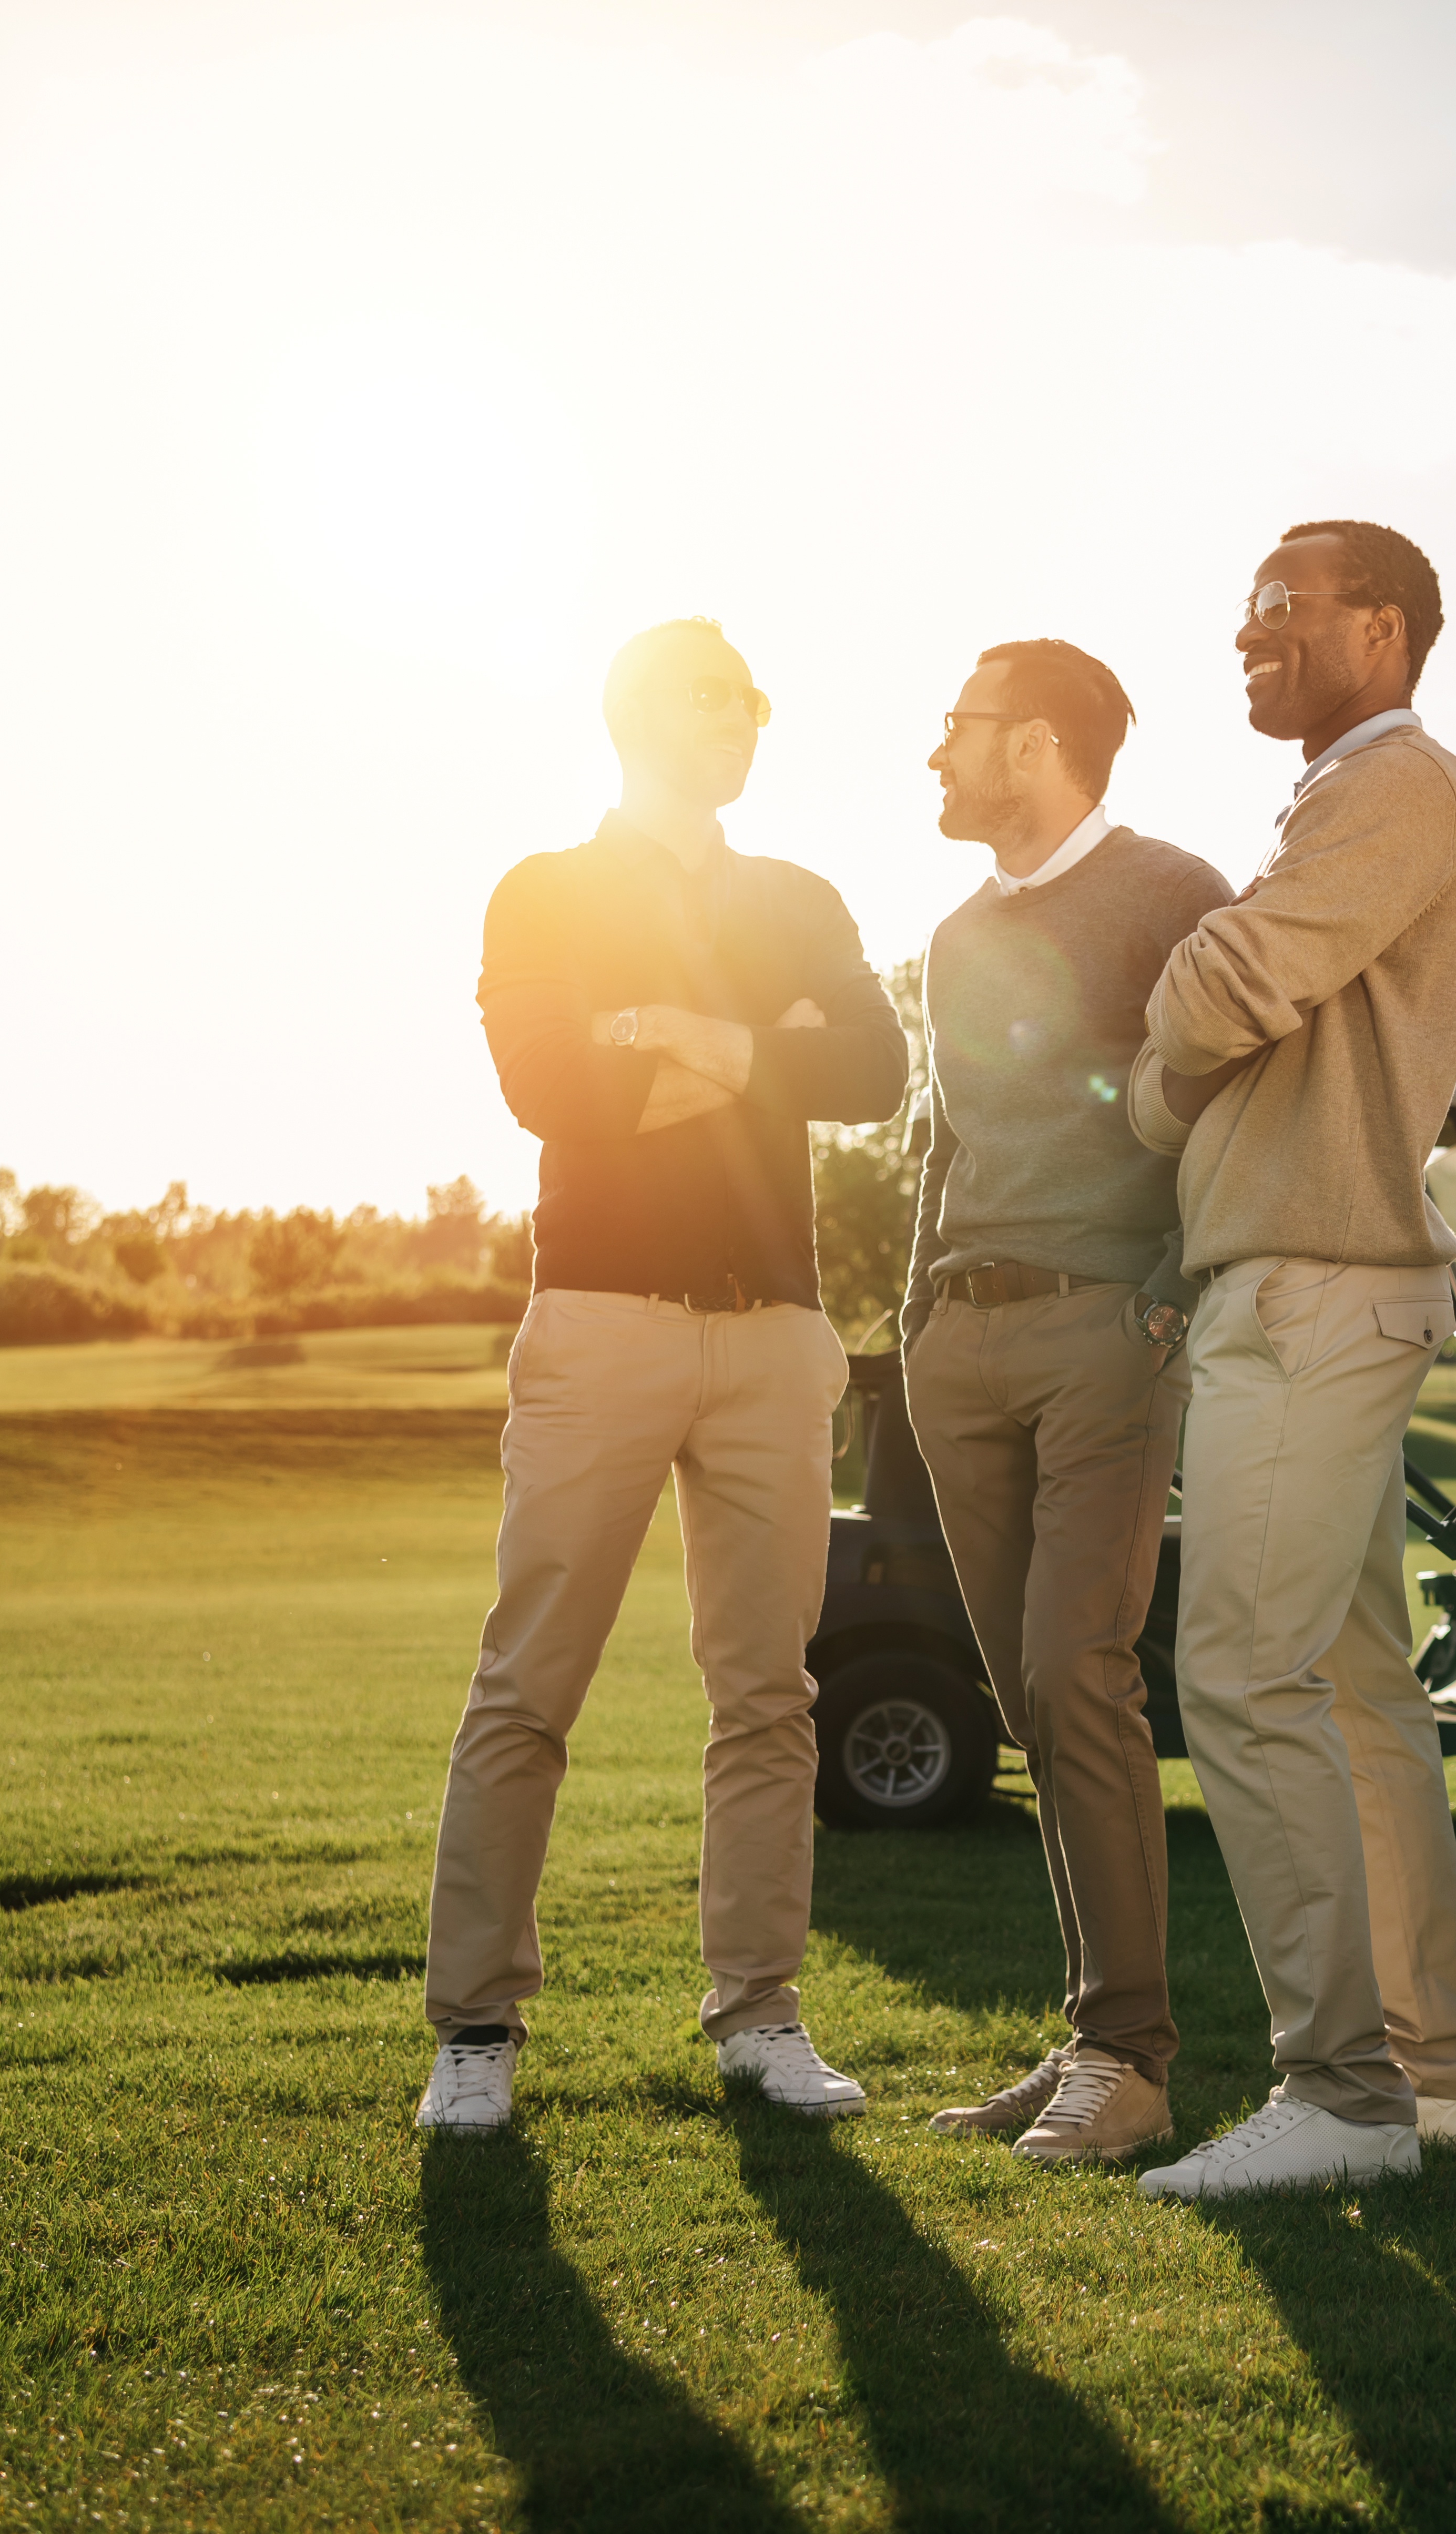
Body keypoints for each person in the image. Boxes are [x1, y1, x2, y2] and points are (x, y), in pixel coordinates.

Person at [416, 618, 909, 2134]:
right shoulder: (545, 891)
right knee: (530, 1682)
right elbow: (550, 1089)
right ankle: (476, 2028)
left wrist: (683, 1034)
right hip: (601, 1320)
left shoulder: (799, 896)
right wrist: (767, 1046)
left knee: (769, 1696)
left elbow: (877, 1072)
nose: (746, 722)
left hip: (773, 1331)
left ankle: (758, 2014)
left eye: (756, 702)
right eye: (717, 700)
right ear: (637, 713)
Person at [1126, 521, 1456, 2202]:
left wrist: (1162, 1027)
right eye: (1245, 611)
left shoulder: (1393, 783)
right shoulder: (1344, 798)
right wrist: (1202, 1012)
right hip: (1317, 1289)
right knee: (1355, 1699)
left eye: (1281, 607)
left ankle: (1336, 2093)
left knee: (1240, 1682)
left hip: (1311, 1297)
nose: (1246, 636)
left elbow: (1228, 985)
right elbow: (1242, 994)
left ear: (1384, 627)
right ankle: (1431, 2082)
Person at [898, 639, 1234, 2168]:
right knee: (1029, 1699)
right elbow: (946, 1141)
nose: (935, 758)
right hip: (957, 1342)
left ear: (1033, 744)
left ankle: (1134, 2060)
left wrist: (1168, 1281)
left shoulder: (1172, 893)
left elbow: (1237, 1086)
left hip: (1107, 1325)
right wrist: (914, 1308)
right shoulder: (958, 935)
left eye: (956, 731)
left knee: (1076, 1669)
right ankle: (1088, 2030)